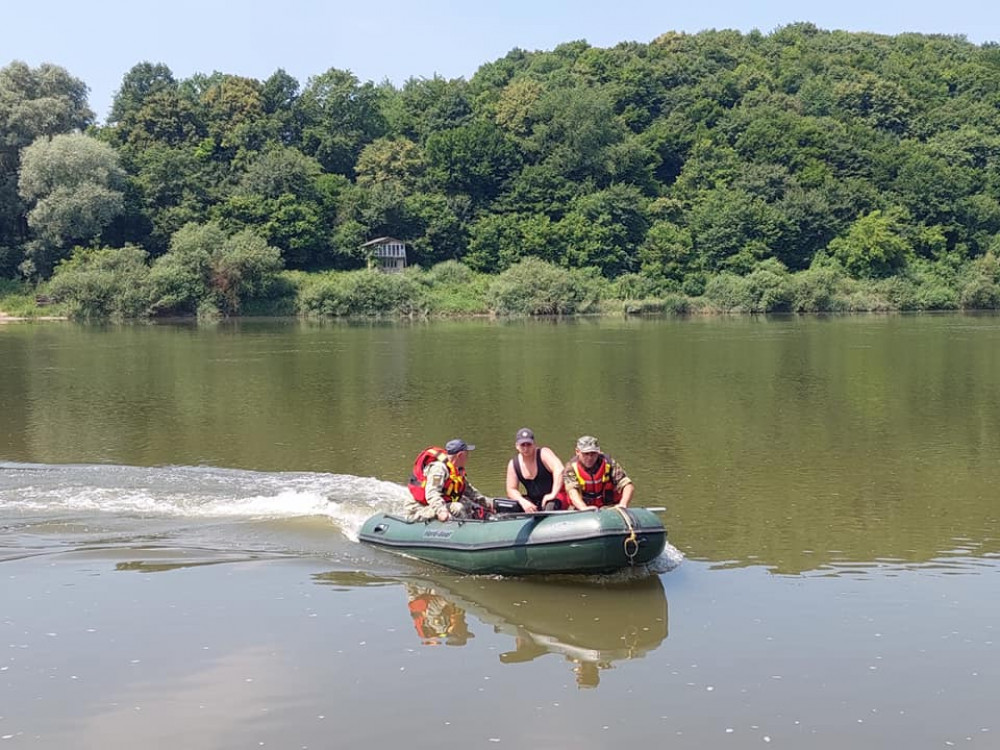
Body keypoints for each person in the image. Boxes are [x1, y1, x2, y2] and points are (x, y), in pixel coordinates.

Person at [405, 438, 491, 522]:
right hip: (420, 508)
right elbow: (432, 494)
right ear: (460, 455)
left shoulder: (456, 469)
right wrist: (441, 511)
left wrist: (486, 502)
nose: (468, 457)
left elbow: (469, 490)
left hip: (439, 503)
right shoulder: (438, 469)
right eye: (467, 454)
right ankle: (464, 528)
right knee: (458, 508)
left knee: (468, 504)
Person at [505, 427, 569, 512]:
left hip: (556, 497)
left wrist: (553, 494)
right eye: (522, 445)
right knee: (511, 505)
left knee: (550, 507)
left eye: (528, 444)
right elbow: (511, 489)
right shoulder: (513, 464)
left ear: (534, 444)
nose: (526, 448)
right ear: (517, 446)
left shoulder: (543, 454)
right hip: (534, 501)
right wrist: (523, 501)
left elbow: (560, 469)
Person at [563, 435, 634, 510]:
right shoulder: (570, 468)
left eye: (593, 453)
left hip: (608, 507)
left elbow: (627, 485)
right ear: (577, 452)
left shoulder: (609, 463)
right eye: (586, 454)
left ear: (598, 451)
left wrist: (623, 504)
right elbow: (572, 492)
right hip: (581, 509)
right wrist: (583, 508)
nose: (590, 458)